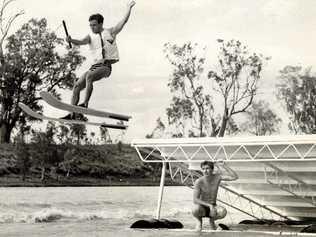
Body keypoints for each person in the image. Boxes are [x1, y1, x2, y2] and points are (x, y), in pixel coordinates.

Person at [62, 1, 136, 119]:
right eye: (90, 25)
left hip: (106, 67)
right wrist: (71, 40)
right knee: (77, 85)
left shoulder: (111, 32)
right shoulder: (90, 36)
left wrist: (129, 8)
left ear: (101, 24)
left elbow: (124, 21)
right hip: (94, 66)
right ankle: (72, 114)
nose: (92, 27)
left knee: (89, 76)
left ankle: (85, 104)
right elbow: (80, 42)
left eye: (94, 25)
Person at [192, 160, 238, 231]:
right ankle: (199, 222)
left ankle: (212, 221)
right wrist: (209, 206)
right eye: (203, 169)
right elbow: (195, 199)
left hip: (213, 205)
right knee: (195, 209)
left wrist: (224, 166)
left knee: (223, 211)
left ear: (212, 169)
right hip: (202, 207)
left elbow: (235, 177)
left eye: (207, 168)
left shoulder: (217, 177)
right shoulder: (199, 181)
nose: (205, 171)